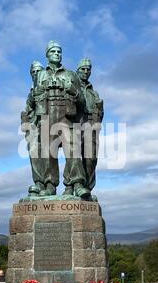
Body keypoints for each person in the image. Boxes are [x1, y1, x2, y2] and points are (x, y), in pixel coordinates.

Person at [33, 41, 90, 198]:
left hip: (66, 118)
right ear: (47, 55)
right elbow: (35, 98)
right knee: (49, 154)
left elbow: (83, 102)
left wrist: (74, 92)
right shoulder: (41, 75)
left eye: (59, 51)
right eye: (53, 51)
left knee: (72, 151)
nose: (57, 54)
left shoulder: (70, 75)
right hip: (47, 117)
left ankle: (77, 184)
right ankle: (50, 185)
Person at [76, 58, 103, 193]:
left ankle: (87, 189)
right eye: (83, 69)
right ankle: (76, 186)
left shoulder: (94, 93)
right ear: (78, 70)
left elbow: (100, 113)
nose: (86, 72)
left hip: (92, 126)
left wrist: (99, 111)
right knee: (75, 158)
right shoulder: (73, 87)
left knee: (91, 159)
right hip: (76, 124)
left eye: (88, 69)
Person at [21, 61, 46, 197]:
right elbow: (28, 111)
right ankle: (39, 183)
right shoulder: (31, 91)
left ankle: (72, 185)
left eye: (38, 71)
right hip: (34, 126)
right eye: (33, 72)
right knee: (34, 150)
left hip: (53, 124)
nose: (36, 74)